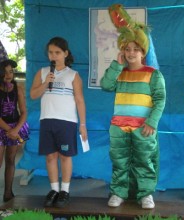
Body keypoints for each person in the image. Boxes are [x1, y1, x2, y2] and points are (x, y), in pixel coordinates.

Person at [100, 4, 166, 209]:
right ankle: (118, 192)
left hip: (143, 128)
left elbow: (160, 99)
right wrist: (116, 65)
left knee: (144, 161)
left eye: (135, 49)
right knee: (119, 161)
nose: (131, 52)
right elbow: (106, 85)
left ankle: (145, 193)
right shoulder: (119, 72)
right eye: (127, 49)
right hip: (119, 126)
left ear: (143, 51)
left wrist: (152, 122)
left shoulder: (153, 74)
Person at [30, 37, 87, 208]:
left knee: (65, 156)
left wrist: (82, 125)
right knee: (50, 156)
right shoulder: (42, 72)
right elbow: (33, 95)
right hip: (47, 120)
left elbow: (79, 100)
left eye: (57, 52)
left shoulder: (73, 75)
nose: (53, 56)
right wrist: (46, 82)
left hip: (67, 122)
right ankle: (54, 189)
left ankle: (65, 190)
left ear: (65, 53)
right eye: (50, 52)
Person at [0, 59, 29, 202]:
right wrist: (10, 130)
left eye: (11, 71)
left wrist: (16, 129)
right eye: (5, 72)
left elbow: (23, 111)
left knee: (11, 160)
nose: (8, 75)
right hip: (2, 128)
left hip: (15, 127)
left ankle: (8, 192)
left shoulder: (18, 88)